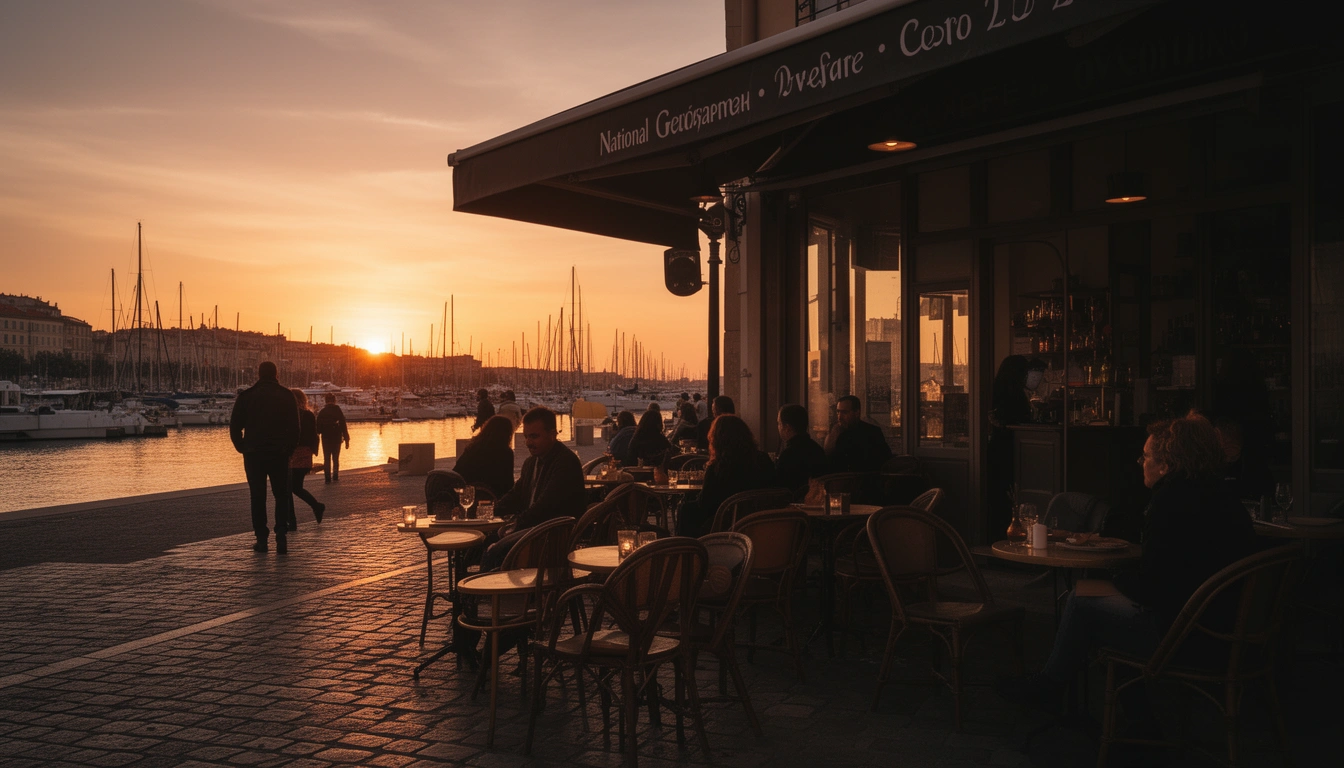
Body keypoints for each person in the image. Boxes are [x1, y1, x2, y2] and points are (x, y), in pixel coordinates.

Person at [999, 412, 1257, 720]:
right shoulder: (1223, 496)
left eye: (1145, 457)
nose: (1140, 463)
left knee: (1082, 602)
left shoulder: (1170, 502)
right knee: (1095, 607)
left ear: (1166, 465)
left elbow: (1152, 590)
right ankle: (1138, 725)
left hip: (1185, 637)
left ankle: (1052, 687)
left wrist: (1116, 574)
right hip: (1227, 632)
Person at [486, 407, 586, 569]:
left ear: (552, 434)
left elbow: (545, 506)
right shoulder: (531, 463)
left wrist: (514, 526)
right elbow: (516, 495)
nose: (528, 443)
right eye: (526, 437)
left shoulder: (565, 462)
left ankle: (492, 584)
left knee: (495, 552)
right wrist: (490, 511)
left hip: (550, 537)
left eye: (534, 436)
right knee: (481, 543)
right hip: (531, 529)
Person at [230, 361, 299, 554]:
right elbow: (295, 428)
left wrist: (242, 447)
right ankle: (281, 536)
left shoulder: (246, 396)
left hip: (254, 454)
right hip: (279, 453)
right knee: (281, 495)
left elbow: (235, 427)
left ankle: (261, 539)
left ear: (258, 375)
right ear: (276, 374)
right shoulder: (287, 395)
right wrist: (289, 450)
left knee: (257, 496)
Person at [676, 414, 776, 537]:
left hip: (725, 524)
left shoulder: (718, 467)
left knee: (686, 509)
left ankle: (688, 547)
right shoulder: (763, 460)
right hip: (759, 522)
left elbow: (705, 504)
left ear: (716, 439)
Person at [988, 355, 1033, 538]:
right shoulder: (1016, 394)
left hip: (997, 447)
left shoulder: (993, 390)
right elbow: (1023, 419)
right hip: (1010, 448)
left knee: (999, 494)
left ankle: (998, 534)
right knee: (1009, 494)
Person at [285, 388, 325, 529]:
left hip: (294, 453)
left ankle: (292, 521)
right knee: (295, 487)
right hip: (305, 454)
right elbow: (313, 435)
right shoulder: (309, 415)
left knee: (289, 488)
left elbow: (292, 434)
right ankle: (316, 506)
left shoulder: (291, 415)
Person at [453, 414, 516, 499]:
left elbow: (457, 471)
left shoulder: (472, 448)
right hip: (494, 497)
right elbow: (508, 483)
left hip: (468, 495)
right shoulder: (506, 453)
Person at [823, 395, 892, 473]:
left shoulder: (872, 433)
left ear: (857, 413)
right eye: (838, 412)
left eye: (844, 412)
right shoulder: (836, 431)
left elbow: (884, 461)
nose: (839, 417)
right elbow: (828, 459)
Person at [774, 403, 826, 499]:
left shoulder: (788, 455)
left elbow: (779, 488)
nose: (778, 427)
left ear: (787, 428)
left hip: (794, 505)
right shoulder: (818, 450)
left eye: (779, 423)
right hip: (818, 502)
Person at [315, 393, 350, 483]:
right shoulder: (338, 410)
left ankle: (327, 478)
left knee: (326, 458)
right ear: (334, 400)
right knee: (335, 458)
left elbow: (318, 429)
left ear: (325, 401)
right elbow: (343, 425)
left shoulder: (322, 412)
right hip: (337, 438)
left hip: (326, 438)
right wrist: (346, 439)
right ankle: (335, 475)